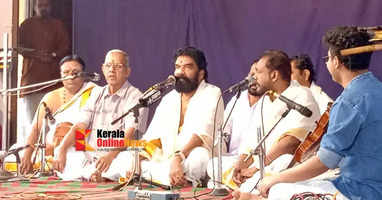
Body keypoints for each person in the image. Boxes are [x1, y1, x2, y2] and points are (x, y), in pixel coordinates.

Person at [258, 26, 382, 200]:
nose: (326, 63)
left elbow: (325, 161)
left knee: (279, 189)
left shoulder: (348, 100)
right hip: (369, 184)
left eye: (328, 58)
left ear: (337, 62)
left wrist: (276, 178)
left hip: (359, 191)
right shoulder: (377, 89)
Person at [125, 46, 224, 187]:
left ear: (201, 74)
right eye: (178, 67)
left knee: (199, 157)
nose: (180, 72)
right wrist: (137, 161)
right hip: (168, 159)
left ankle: (156, 177)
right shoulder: (169, 98)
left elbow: (201, 135)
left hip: (191, 155)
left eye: (187, 67)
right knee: (128, 157)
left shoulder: (213, 93)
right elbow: (153, 136)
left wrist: (178, 158)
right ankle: (171, 177)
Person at [231, 50, 320, 200]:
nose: (254, 77)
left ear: (274, 75)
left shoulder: (302, 95)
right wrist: (242, 162)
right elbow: (254, 138)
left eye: (258, 72)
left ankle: (252, 190)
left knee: (275, 168)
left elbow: (290, 142)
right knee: (215, 166)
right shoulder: (266, 98)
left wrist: (256, 168)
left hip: (287, 163)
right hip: (262, 164)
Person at [53, 49, 148, 182]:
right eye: (108, 66)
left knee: (130, 161)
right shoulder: (96, 93)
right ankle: (94, 173)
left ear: (127, 72)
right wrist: (62, 149)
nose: (112, 70)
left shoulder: (136, 97)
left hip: (117, 155)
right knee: (68, 152)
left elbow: (130, 134)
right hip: (90, 155)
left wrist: (110, 156)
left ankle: (95, 174)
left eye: (118, 66)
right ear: (103, 69)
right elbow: (80, 125)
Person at [19, 55, 97, 175]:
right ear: (60, 75)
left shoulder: (94, 93)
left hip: (84, 147)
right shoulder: (51, 97)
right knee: (14, 157)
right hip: (53, 149)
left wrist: (69, 138)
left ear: (84, 75)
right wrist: (27, 154)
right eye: (66, 72)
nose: (71, 76)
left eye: (75, 72)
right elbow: (35, 128)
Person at [18, 0, 70, 145]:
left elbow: (65, 47)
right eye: (40, 6)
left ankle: (48, 156)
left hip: (52, 83)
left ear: (51, 7)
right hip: (31, 84)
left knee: (52, 126)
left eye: (46, 5)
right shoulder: (26, 25)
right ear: (34, 7)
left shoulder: (58, 25)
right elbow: (18, 47)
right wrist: (36, 54)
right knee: (31, 124)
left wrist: (52, 55)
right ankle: (29, 155)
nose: (43, 8)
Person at [206, 60, 261, 189]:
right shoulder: (238, 98)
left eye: (258, 75)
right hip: (232, 159)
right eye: (251, 74)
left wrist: (246, 162)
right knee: (212, 164)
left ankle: (234, 183)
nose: (253, 78)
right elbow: (223, 129)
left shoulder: (269, 101)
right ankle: (238, 182)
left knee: (214, 181)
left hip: (254, 161)